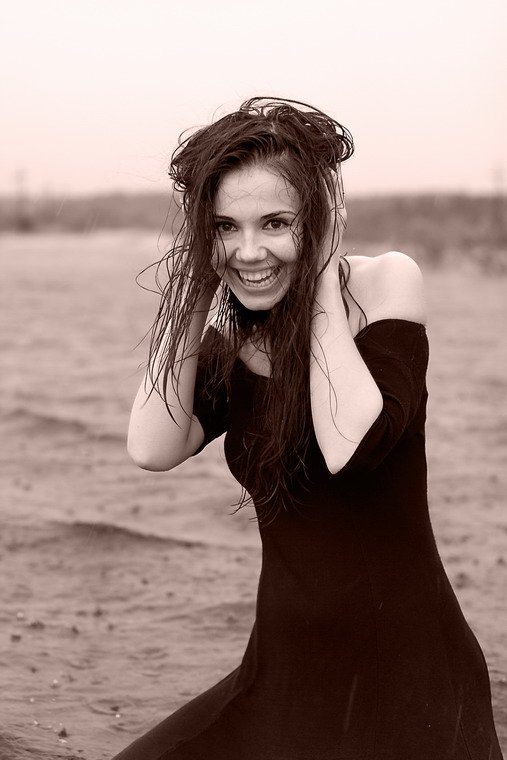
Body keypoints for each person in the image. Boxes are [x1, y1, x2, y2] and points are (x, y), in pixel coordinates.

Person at [115, 97, 503, 759]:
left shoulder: (385, 284)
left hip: (408, 683)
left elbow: (349, 446)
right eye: (225, 227)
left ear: (317, 219)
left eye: (275, 223)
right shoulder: (237, 335)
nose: (249, 251)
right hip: (283, 676)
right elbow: (152, 447)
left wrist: (320, 279)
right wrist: (196, 289)